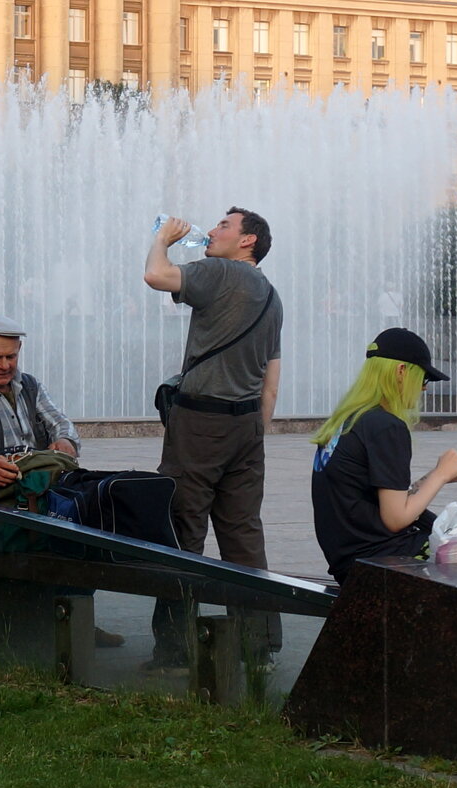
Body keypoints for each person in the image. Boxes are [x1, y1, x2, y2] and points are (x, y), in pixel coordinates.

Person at [143, 207, 283, 671]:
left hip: (201, 423)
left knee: (183, 528)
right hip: (245, 426)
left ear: (247, 241)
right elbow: (271, 380)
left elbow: (155, 275)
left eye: (225, 225)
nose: (213, 230)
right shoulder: (271, 295)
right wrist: (253, 433)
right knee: (243, 532)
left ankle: (175, 649)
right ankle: (258, 645)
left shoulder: (220, 272)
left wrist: (163, 238)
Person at [0, 314, 123, 647]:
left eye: (12, 356)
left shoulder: (29, 386)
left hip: (29, 504)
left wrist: (65, 443)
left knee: (88, 530)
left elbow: (63, 425)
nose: (5, 365)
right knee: (55, 537)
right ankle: (52, 626)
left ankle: (71, 620)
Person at [311, 328, 457, 585]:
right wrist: (440, 476)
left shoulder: (348, 420)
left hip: (349, 559)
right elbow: (396, 519)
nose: (423, 389)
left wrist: (436, 475)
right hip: (382, 561)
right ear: (402, 372)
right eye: (423, 379)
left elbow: (372, 496)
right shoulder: (386, 426)